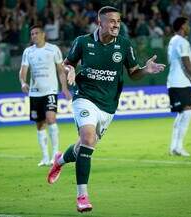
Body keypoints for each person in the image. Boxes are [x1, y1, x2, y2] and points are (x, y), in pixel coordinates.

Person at [47, 6, 165, 213]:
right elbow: (66, 65)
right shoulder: (82, 42)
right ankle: (82, 196)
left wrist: (145, 70)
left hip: (108, 105)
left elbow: (133, 73)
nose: (116, 25)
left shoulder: (124, 44)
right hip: (84, 97)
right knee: (88, 138)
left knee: (83, 147)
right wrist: (71, 70)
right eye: (111, 21)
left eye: (118, 21)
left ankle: (60, 160)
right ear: (99, 23)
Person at [19, 25, 71, 167]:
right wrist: (23, 82)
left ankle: (55, 155)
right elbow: (23, 71)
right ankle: (45, 157)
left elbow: (61, 70)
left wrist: (64, 88)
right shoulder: (28, 52)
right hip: (35, 93)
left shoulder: (53, 49)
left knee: (51, 118)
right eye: (32, 34)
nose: (34, 36)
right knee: (40, 124)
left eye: (36, 33)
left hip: (50, 91)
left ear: (43, 35)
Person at [167, 17, 191, 157]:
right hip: (179, 82)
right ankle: (178, 147)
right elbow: (186, 62)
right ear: (182, 26)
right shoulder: (182, 42)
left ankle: (174, 147)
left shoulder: (173, 40)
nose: (189, 27)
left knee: (183, 113)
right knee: (188, 112)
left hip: (175, 81)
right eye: (187, 25)